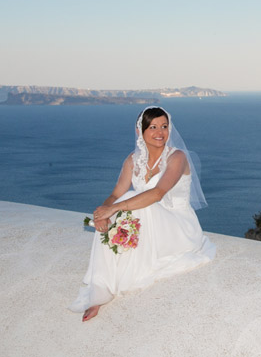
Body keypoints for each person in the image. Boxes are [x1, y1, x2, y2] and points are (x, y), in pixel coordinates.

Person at [69, 106, 216, 321]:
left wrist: (116, 208)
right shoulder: (132, 160)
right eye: (153, 127)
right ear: (140, 131)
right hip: (147, 220)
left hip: (178, 225)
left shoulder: (177, 157)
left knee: (141, 204)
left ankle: (120, 279)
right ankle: (100, 289)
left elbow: (157, 194)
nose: (160, 132)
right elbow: (115, 194)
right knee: (121, 204)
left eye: (164, 126)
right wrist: (105, 213)